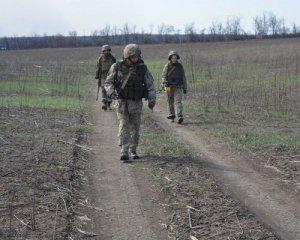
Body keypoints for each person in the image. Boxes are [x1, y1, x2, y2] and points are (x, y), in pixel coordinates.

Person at [105, 44, 156, 161]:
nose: (136, 58)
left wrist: (152, 99)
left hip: (136, 103)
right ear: (127, 56)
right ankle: (124, 150)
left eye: (137, 56)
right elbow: (108, 83)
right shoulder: (116, 66)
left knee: (135, 127)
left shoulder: (142, 68)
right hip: (121, 102)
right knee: (123, 125)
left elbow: (150, 85)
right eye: (133, 56)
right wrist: (112, 92)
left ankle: (133, 149)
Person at [161, 50, 187, 124]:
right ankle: (171, 115)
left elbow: (183, 77)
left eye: (175, 58)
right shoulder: (167, 66)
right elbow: (163, 76)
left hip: (178, 87)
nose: (174, 59)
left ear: (177, 58)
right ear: (170, 58)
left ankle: (179, 117)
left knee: (178, 102)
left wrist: (185, 87)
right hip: (168, 87)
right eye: (172, 58)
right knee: (169, 101)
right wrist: (164, 83)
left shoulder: (180, 66)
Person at [95, 44, 116, 110]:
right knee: (103, 89)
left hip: (111, 76)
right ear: (103, 51)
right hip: (103, 76)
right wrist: (97, 76)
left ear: (109, 51)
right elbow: (98, 67)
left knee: (109, 89)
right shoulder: (100, 58)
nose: (107, 52)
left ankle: (109, 104)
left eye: (108, 51)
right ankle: (105, 104)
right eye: (105, 51)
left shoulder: (112, 58)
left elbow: (115, 66)